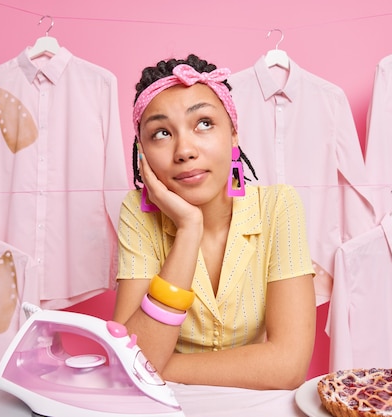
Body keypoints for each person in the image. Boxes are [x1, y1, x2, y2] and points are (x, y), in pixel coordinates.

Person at [112, 54, 316, 390]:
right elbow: (129, 362)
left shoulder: (279, 206)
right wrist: (189, 228)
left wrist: (156, 364)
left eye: (204, 123)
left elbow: (289, 366)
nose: (185, 150)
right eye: (161, 133)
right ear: (142, 154)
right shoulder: (138, 211)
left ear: (234, 134)